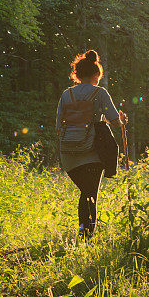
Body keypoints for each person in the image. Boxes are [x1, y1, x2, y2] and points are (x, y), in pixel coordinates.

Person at [56, 50, 127, 240]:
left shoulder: (66, 95)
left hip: (69, 153)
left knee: (85, 192)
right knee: (90, 194)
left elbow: (58, 127)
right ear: (97, 74)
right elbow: (114, 120)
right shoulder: (100, 93)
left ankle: (83, 230)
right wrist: (121, 120)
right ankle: (86, 235)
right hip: (92, 152)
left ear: (77, 75)